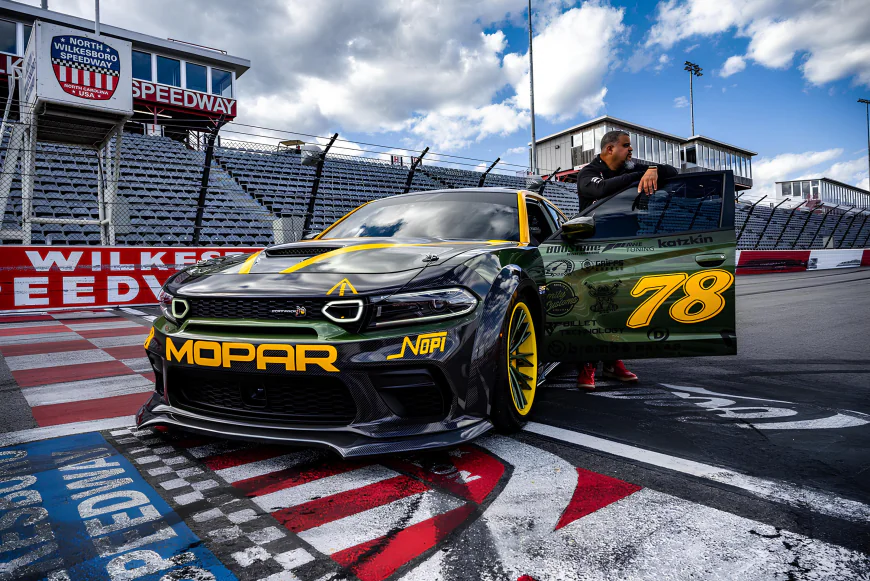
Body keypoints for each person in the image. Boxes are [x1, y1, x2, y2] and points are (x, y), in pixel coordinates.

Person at [574, 130, 679, 390]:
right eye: (626, 146)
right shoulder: (589, 172)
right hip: (593, 248)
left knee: (619, 305)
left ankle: (612, 362)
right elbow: (604, 188)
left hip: (625, 247)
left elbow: (673, 172)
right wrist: (642, 174)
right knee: (595, 306)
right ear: (610, 149)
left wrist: (653, 168)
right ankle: (587, 365)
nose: (631, 151)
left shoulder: (632, 165)